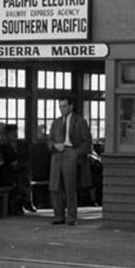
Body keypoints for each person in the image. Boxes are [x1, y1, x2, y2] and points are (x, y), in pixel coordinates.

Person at [47, 97, 91, 226]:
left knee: (69, 187)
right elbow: (49, 140)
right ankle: (58, 216)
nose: (62, 109)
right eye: (60, 107)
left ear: (71, 106)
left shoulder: (80, 121)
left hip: (71, 153)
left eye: (64, 106)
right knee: (55, 186)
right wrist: (54, 145)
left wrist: (75, 154)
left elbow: (86, 142)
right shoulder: (55, 123)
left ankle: (71, 217)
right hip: (56, 155)